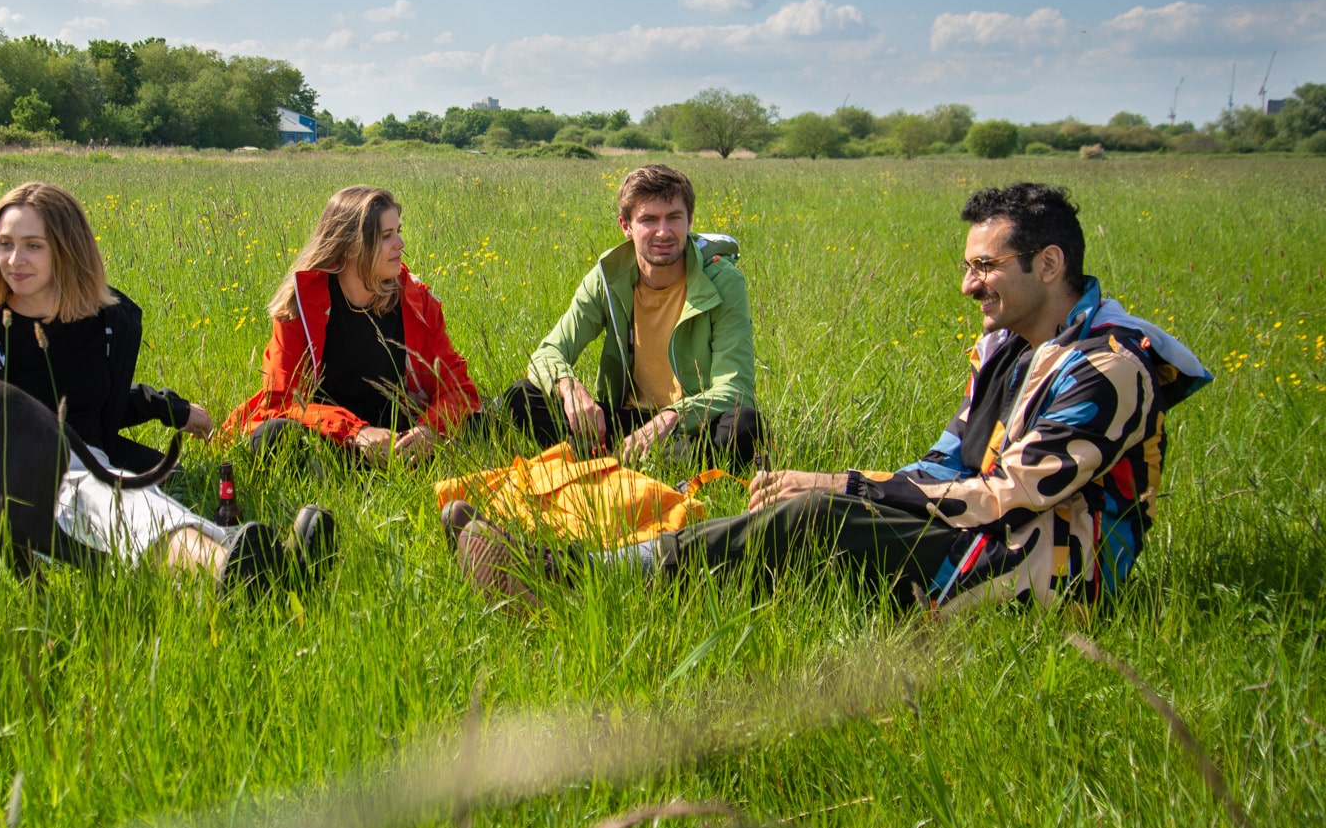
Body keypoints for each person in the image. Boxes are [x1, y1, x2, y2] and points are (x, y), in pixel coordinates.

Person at [449, 182, 1211, 614]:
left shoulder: (1109, 368)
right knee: (808, 513)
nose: (968, 284)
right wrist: (846, 484)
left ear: (1048, 265)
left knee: (816, 517)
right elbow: (946, 466)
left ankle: (581, 580)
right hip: (989, 530)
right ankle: (595, 565)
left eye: (985, 266)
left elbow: (1008, 497)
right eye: (968, 265)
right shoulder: (1011, 346)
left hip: (1053, 570)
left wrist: (842, 488)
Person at [0, 182, 335, 589]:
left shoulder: (100, 323)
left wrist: (173, 409)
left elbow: (96, 405)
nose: (15, 259)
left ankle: (244, 572)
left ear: (68, 249)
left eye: (33, 246)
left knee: (127, 496)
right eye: (5, 244)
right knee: (105, 500)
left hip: (90, 466)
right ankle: (240, 567)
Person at [501, 163, 763, 466]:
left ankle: (619, 461)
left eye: (674, 218)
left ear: (689, 221)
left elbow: (736, 388)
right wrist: (569, 388)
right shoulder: (608, 276)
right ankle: (634, 459)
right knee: (521, 396)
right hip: (624, 419)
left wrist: (671, 417)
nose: (663, 232)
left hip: (689, 424)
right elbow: (548, 353)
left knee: (745, 425)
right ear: (626, 226)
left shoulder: (723, 280)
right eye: (648, 219)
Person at [223, 185, 481, 467]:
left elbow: (458, 388)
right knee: (273, 436)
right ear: (351, 246)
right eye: (386, 236)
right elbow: (282, 401)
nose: (400, 244)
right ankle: (329, 480)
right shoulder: (302, 307)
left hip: (402, 439)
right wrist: (357, 433)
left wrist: (430, 430)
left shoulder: (417, 302)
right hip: (333, 439)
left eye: (398, 231)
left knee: (484, 422)